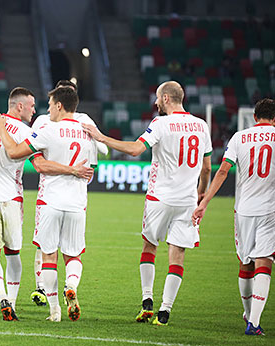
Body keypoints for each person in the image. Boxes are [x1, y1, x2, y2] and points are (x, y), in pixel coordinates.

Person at [83, 81, 212, 325]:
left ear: (165, 99)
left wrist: (101, 137)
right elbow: (206, 167)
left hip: (160, 198)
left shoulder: (161, 124)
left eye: (157, 98)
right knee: (178, 255)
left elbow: (134, 150)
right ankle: (165, 311)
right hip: (187, 201)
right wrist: (200, 194)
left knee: (149, 246)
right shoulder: (202, 125)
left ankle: (147, 301)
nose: (155, 103)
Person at [0, 87, 94, 321]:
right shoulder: (27, 131)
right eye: (33, 106)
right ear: (20, 106)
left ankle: (2, 297)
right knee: (13, 253)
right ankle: (13, 302)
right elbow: (39, 163)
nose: (36, 111)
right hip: (13, 198)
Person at [192, 98, 275, 336]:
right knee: (264, 262)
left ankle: (249, 315)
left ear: (255, 116)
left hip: (243, 209)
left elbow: (223, 170)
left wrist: (204, 202)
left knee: (245, 264)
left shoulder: (240, 137)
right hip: (269, 209)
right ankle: (254, 322)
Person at [30, 79, 108, 307]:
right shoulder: (87, 128)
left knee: (47, 251)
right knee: (73, 254)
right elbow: (94, 163)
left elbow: (32, 157)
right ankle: (70, 286)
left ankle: (50, 303)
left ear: (59, 104)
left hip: (49, 197)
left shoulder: (46, 125)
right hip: (77, 202)